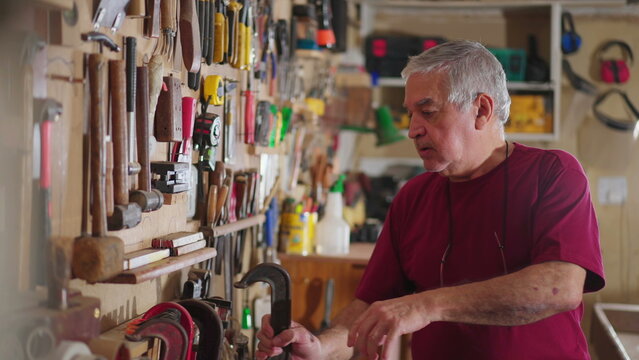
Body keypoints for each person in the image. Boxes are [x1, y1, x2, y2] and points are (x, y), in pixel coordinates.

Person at [256, 40, 605, 360]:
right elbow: (371, 304)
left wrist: (425, 306)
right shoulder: (413, 198)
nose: (412, 129)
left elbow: (560, 288)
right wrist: (320, 345)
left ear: (481, 110)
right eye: (410, 114)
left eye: (428, 111)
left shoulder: (553, 174)